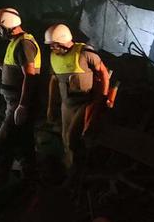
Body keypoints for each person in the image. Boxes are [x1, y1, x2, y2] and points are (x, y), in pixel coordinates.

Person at [43, 23, 112, 176]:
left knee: (72, 138)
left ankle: (79, 171)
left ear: (62, 41)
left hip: (85, 103)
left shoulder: (85, 54)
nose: (51, 48)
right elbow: (54, 80)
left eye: (54, 44)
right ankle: (71, 167)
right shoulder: (54, 57)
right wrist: (50, 107)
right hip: (67, 104)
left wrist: (102, 99)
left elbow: (104, 74)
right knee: (65, 138)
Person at [0, 7, 40, 191]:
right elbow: (10, 70)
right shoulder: (16, 42)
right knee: (24, 146)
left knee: (1, 147)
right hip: (14, 102)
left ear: (8, 25)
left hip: (18, 103)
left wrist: (23, 106)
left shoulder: (24, 44)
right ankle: (29, 185)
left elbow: (30, 76)